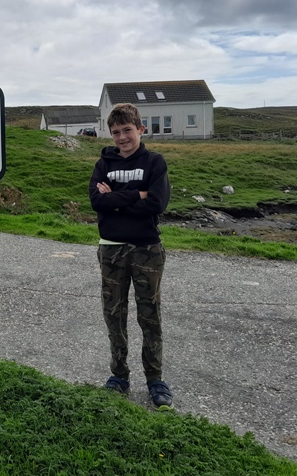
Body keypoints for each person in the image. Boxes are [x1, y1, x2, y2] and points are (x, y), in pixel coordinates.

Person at [88, 102, 173, 410]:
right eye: (116, 132)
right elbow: (97, 201)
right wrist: (136, 194)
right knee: (114, 315)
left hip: (147, 248)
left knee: (149, 315)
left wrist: (116, 199)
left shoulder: (154, 162)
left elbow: (158, 203)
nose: (122, 137)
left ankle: (155, 380)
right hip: (110, 247)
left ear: (140, 129)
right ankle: (119, 376)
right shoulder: (103, 164)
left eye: (127, 130)